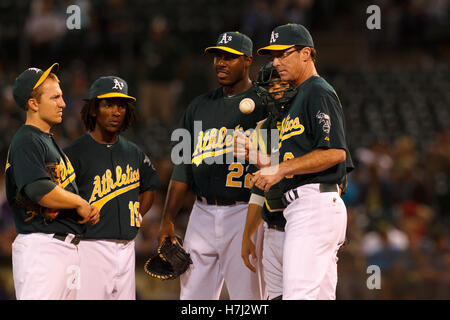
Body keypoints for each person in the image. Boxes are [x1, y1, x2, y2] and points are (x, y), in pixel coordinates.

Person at [158, 31, 267, 300]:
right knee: (193, 299)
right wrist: (168, 219)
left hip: (245, 211)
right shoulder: (198, 108)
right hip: (201, 213)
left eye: (229, 57)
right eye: (217, 57)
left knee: (248, 299)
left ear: (248, 60)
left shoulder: (266, 104)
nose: (221, 62)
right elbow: (182, 167)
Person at [252, 24, 355, 300]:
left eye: (283, 54)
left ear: (306, 53)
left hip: (314, 205)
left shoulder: (317, 91)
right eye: (273, 56)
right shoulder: (298, 98)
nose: (275, 61)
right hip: (304, 206)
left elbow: (335, 152)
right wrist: (263, 162)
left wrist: (280, 169)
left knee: (296, 295)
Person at [5, 63, 100, 300]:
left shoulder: (45, 140)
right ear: (33, 103)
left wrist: (85, 210)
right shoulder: (27, 139)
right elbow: (39, 190)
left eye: (62, 96)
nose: (63, 103)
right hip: (43, 249)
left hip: (63, 248)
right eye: (55, 97)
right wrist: (78, 202)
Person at [64, 76, 162, 300]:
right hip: (89, 247)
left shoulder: (133, 152)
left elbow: (150, 185)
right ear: (93, 110)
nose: (116, 111)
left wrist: (138, 213)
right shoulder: (74, 153)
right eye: (108, 105)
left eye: (121, 105)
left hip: (127, 249)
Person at [239, 62, 296, 300]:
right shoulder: (262, 129)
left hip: (302, 225)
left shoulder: (305, 119)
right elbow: (259, 190)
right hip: (272, 227)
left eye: (282, 83)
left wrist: (262, 159)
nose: (277, 90)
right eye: (272, 85)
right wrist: (247, 235)